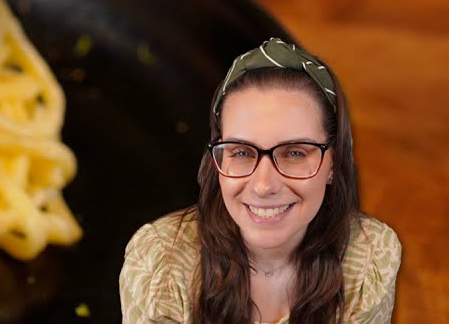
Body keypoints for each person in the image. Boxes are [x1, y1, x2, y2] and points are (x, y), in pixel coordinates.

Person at [119, 38, 401, 323]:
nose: (264, 185)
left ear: (333, 163)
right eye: (241, 152)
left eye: (294, 153)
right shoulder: (160, 263)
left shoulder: (369, 258)